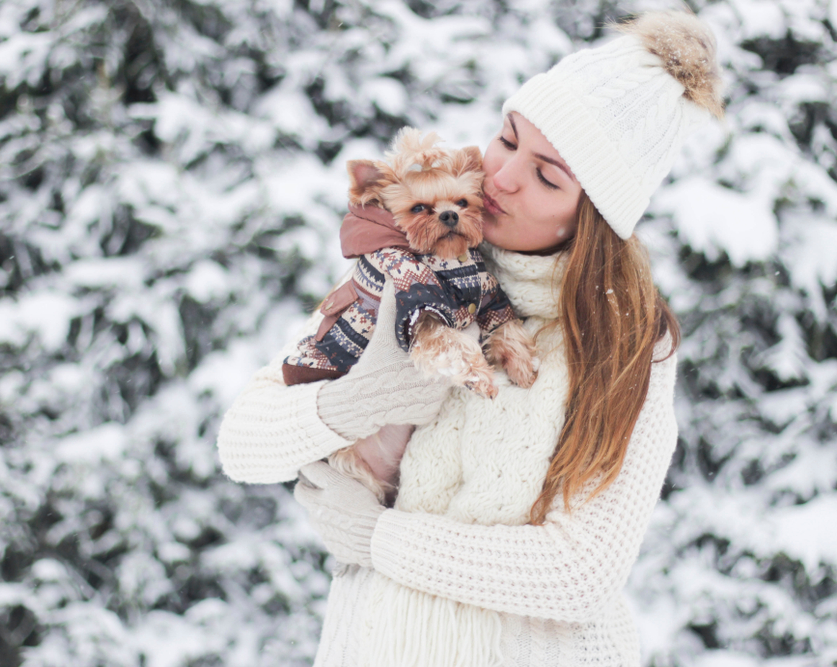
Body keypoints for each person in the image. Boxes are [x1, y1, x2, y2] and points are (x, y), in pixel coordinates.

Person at [216, 10, 723, 667]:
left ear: (594, 216)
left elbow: (576, 571)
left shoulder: (626, 342)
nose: (504, 175)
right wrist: (352, 404)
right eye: (508, 138)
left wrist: (378, 539)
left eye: (547, 176)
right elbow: (241, 441)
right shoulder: (413, 264)